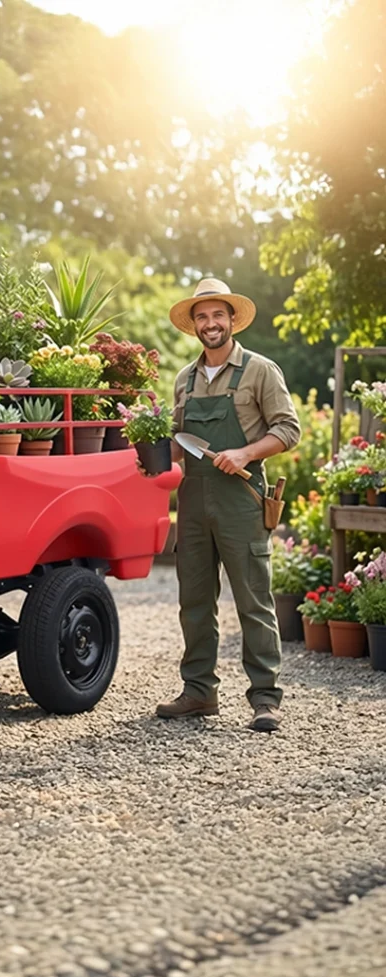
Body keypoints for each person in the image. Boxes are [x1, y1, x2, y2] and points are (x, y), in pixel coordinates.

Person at [157, 278, 300, 732]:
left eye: (218, 315)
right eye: (202, 316)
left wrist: (245, 452)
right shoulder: (185, 379)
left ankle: (265, 698)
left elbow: (288, 429)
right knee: (194, 601)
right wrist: (151, 450)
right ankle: (199, 691)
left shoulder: (260, 370)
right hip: (194, 501)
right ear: (194, 325)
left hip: (241, 498)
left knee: (253, 601)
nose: (210, 323)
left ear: (231, 320)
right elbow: (180, 444)